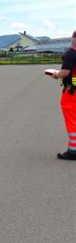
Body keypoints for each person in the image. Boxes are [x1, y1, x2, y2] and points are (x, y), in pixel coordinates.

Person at [51, 31, 76, 160]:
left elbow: (65, 73)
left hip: (72, 93)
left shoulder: (71, 53)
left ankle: (73, 151)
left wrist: (56, 74)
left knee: (72, 121)